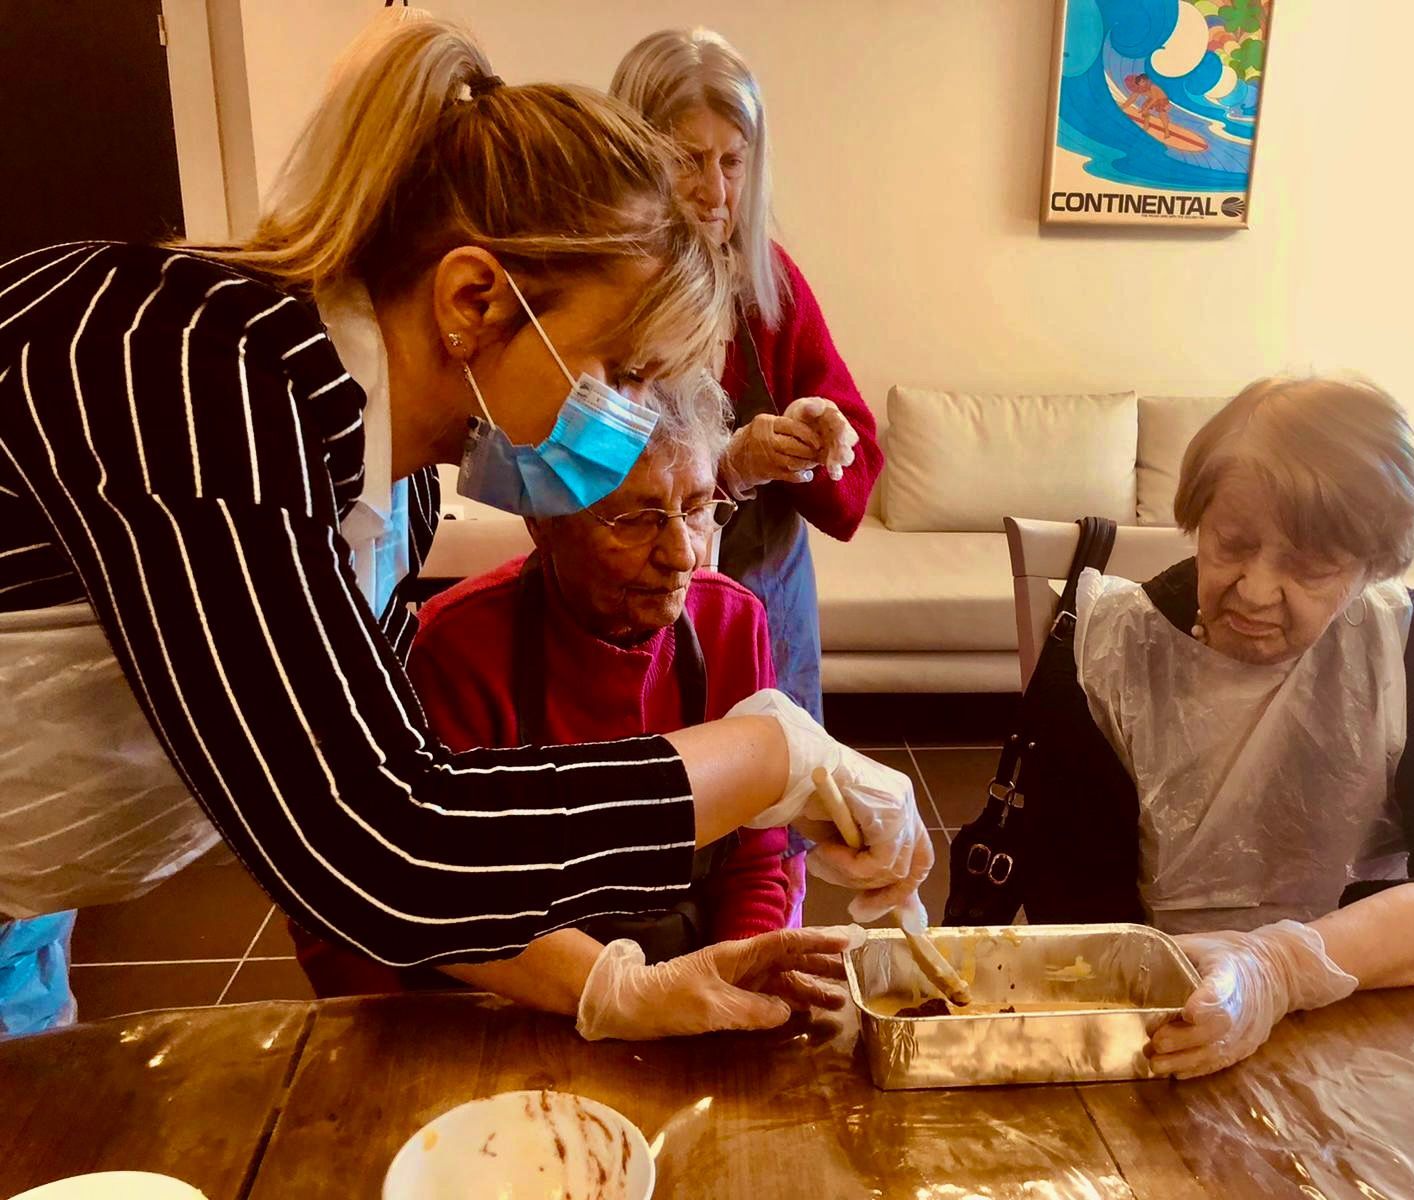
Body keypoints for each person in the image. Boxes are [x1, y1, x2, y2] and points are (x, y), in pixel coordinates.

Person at [0, 11, 930, 1033]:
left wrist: (611, 987)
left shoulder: (389, 484)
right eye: (618, 371)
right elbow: (377, 838)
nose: (627, 427)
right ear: (476, 300)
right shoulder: (187, 374)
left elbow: (405, 795)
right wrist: (771, 756)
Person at [1022, 377, 1414, 1078]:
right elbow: (1077, 921)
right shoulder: (1108, 655)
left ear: (1371, 566)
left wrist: (1281, 971)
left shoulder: (1408, 645)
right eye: (1231, 543)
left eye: (1311, 565)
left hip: (1354, 1023)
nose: (1257, 591)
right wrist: (1216, 998)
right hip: (1158, 1037)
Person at [293, 377, 824, 1038]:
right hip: (513, 1012)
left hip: (688, 1002)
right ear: (542, 520)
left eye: (695, 507)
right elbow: (371, 908)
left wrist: (735, 990)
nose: (682, 554)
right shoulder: (457, 647)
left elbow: (753, 860)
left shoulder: (730, 622)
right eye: (634, 517)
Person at [612, 28, 883, 723]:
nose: (714, 191)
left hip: (767, 606)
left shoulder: (772, 286)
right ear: (634, 156)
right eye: (687, 160)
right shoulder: (600, 297)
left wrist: (821, 435)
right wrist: (730, 468)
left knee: (774, 811)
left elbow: (855, 484)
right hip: (633, 618)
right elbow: (580, 491)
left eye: (733, 162)